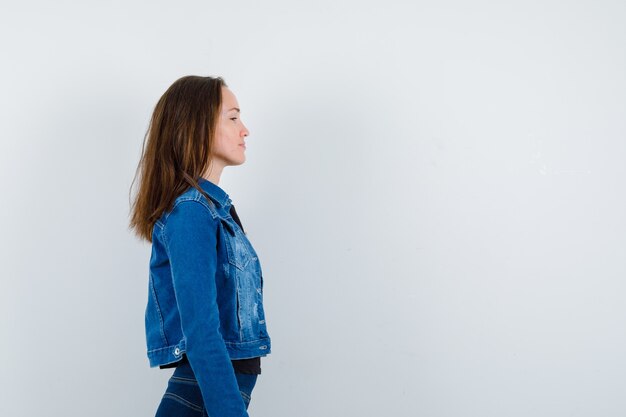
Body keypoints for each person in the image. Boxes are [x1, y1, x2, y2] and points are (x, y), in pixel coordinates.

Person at [128, 75, 272, 417]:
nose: (245, 130)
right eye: (233, 117)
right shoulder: (192, 213)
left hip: (207, 397)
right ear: (198, 127)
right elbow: (202, 329)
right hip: (203, 400)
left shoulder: (214, 211)